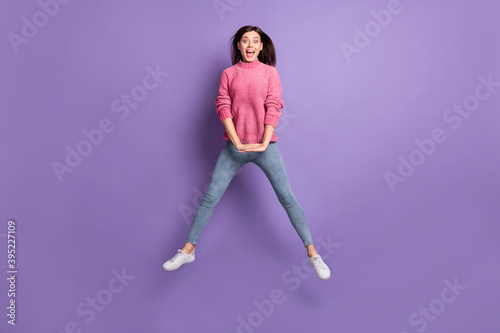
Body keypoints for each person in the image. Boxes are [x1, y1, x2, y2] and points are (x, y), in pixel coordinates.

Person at [162, 25, 331, 280]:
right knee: (210, 197)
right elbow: (223, 106)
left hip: (266, 148)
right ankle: (188, 250)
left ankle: (313, 254)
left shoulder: (270, 73)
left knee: (287, 197)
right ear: (239, 46)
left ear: (261, 46)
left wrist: (263, 143)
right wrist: (236, 140)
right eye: (245, 40)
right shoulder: (229, 74)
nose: (250, 45)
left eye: (255, 41)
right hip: (234, 148)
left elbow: (274, 106)